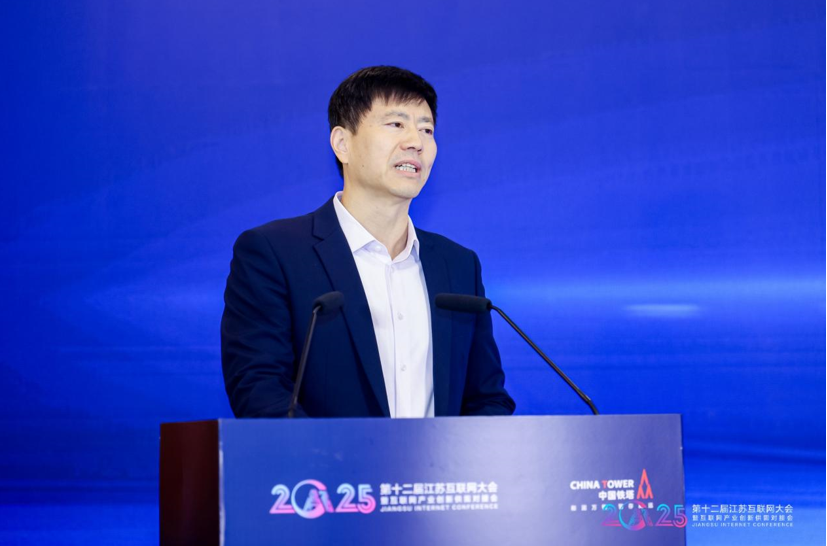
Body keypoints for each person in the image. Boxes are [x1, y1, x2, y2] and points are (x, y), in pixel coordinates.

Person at [221, 66, 514, 418]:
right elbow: (260, 391)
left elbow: (487, 398)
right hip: (323, 457)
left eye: (426, 129)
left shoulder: (458, 265)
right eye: (396, 124)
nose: (416, 142)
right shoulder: (275, 254)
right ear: (342, 144)